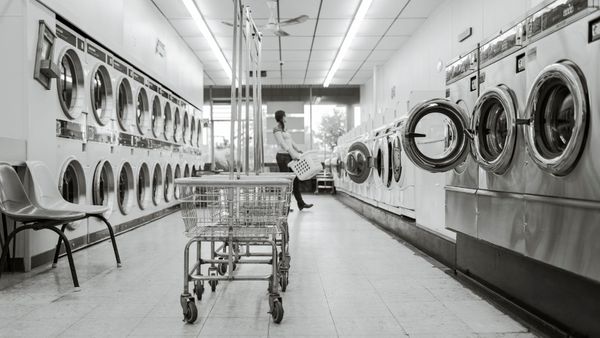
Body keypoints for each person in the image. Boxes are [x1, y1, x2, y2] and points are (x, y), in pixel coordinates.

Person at [273, 110, 313, 211]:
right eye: (285, 116)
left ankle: (301, 204)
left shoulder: (285, 129)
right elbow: (282, 143)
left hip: (289, 156)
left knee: (295, 181)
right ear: (282, 117)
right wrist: (292, 153)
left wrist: (298, 149)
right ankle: (284, 207)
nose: (286, 117)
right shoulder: (276, 129)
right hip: (282, 157)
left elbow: (291, 141)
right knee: (286, 182)